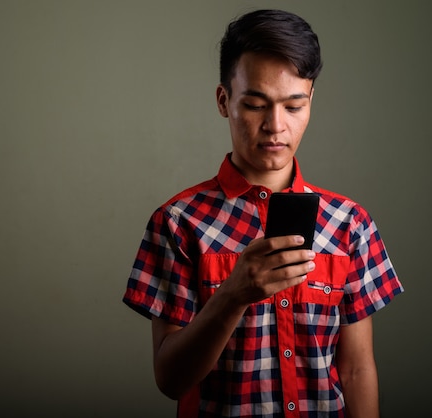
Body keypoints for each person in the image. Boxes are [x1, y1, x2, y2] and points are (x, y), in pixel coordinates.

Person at [122, 9, 403, 418]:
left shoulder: (350, 224)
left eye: (293, 106)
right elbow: (170, 379)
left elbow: (357, 370)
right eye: (256, 104)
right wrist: (233, 295)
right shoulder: (178, 223)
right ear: (225, 101)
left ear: (310, 103)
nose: (276, 126)